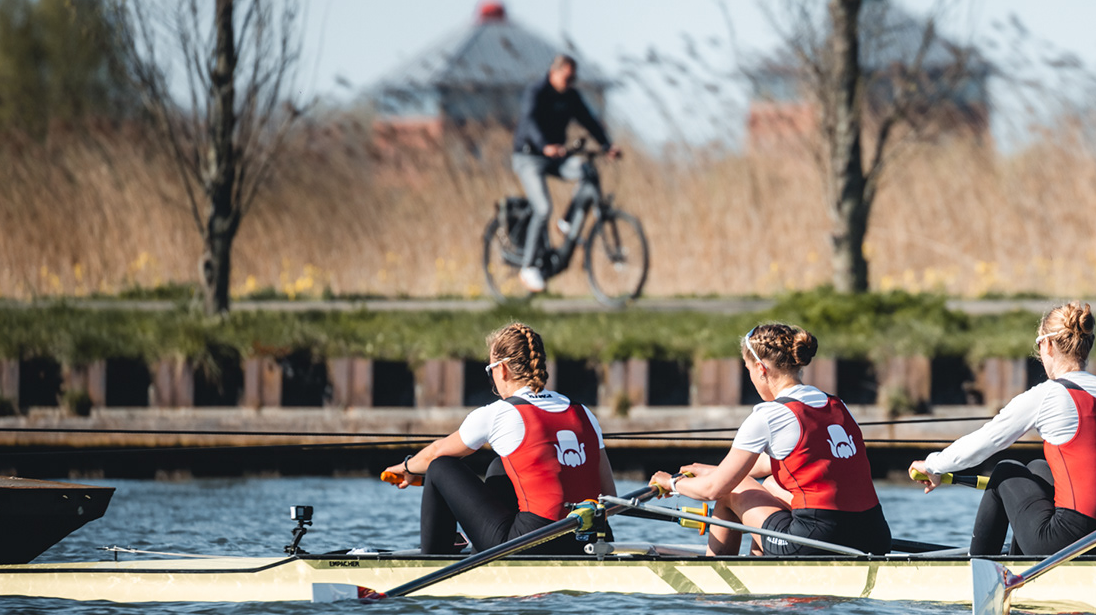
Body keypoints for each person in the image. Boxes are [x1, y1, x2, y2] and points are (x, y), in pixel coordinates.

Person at [910, 302, 1096, 558]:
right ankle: (1016, 564)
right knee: (1038, 469)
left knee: (1005, 470)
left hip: (1072, 540)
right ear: (1089, 344)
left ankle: (978, 569)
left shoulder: (1051, 394)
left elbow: (984, 442)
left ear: (1047, 345)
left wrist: (932, 465)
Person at [651, 323, 893, 557]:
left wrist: (671, 483)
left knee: (729, 492)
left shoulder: (769, 415)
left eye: (748, 370)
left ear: (760, 368)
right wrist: (714, 471)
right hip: (875, 536)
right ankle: (760, 568)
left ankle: (714, 577)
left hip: (817, 540)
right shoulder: (838, 405)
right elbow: (775, 463)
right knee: (770, 485)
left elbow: (713, 490)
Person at [382, 323, 616, 555]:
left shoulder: (501, 413)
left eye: (490, 370)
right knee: (500, 466)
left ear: (502, 369)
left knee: (440, 467)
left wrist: (406, 467)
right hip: (591, 537)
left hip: (532, 542)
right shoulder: (584, 413)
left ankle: (432, 559)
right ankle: (476, 550)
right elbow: (609, 496)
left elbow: (435, 453)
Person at [512, 54, 622, 293]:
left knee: (587, 170)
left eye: (574, 78)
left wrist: (607, 146)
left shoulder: (571, 96)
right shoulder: (537, 92)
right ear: (554, 72)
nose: (571, 82)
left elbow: (589, 120)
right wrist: (544, 145)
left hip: (556, 158)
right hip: (529, 157)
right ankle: (528, 267)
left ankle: (567, 221)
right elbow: (529, 122)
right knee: (543, 208)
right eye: (567, 77)